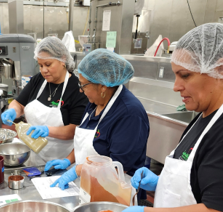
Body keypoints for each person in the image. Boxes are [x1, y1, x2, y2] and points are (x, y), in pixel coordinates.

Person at [115, 23, 223, 212]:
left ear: (222, 69)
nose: (176, 87)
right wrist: (162, 183)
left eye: (185, 75)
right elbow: (201, 184)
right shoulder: (205, 114)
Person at [47, 48, 150, 189]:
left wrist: (78, 170)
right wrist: (68, 160)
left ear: (102, 86)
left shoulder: (129, 114)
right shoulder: (94, 102)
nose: (80, 90)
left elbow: (117, 168)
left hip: (114, 191)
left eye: (83, 85)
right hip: (87, 184)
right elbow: (84, 146)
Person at [0, 37, 89, 166]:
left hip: (59, 160)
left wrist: (48, 130)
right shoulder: (38, 80)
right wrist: (13, 110)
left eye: (48, 65)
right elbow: (19, 103)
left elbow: (74, 130)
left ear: (63, 59)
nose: (43, 70)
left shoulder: (76, 88)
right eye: (40, 65)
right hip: (31, 156)